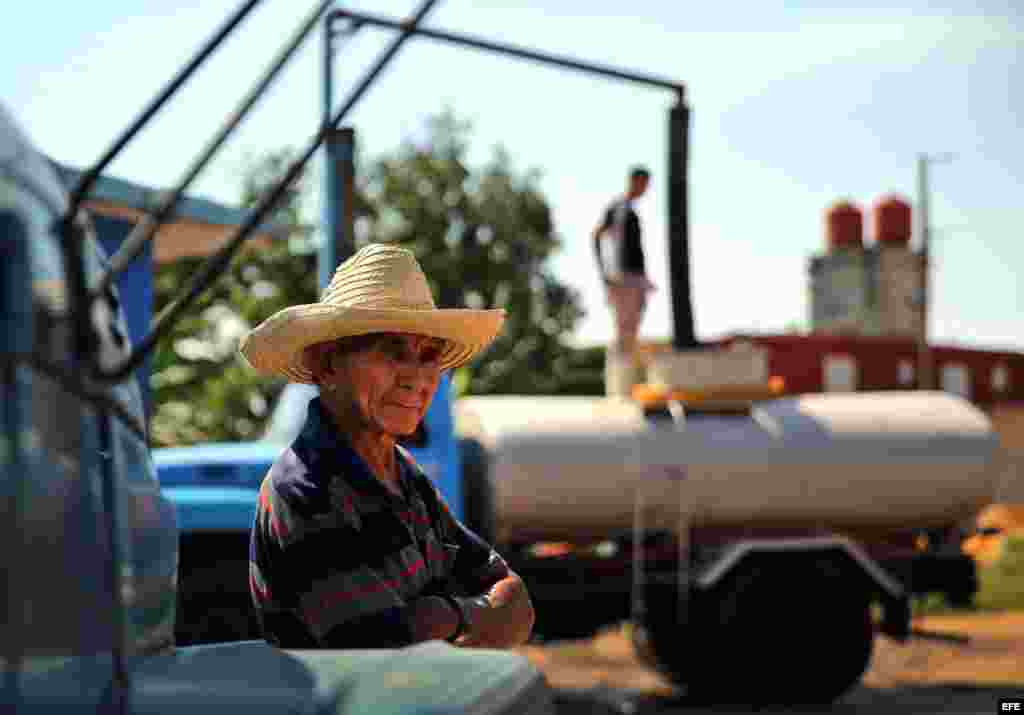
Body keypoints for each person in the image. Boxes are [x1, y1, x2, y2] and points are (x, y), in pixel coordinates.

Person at [239, 242, 535, 649]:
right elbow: (393, 656)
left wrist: (446, 616)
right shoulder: (306, 492)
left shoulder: (401, 472)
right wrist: (474, 618)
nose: (417, 377)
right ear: (328, 364)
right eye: (392, 352)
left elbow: (517, 601)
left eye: (429, 355)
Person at [592, 166, 655, 397]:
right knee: (623, 332)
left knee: (630, 332)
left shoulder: (630, 211)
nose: (645, 189)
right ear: (633, 181)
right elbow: (597, 236)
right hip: (622, 279)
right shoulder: (618, 209)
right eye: (643, 183)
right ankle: (619, 390)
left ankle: (623, 387)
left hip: (635, 279)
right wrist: (606, 276)